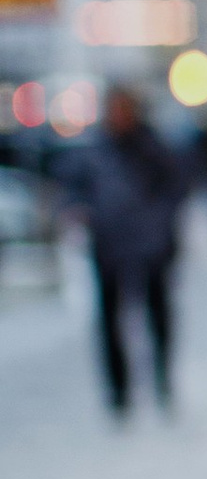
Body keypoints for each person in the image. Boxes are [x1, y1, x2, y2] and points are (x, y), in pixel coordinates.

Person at [61, 85, 186, 412]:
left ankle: (161, 379)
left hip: (150, 246)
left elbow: (176, 188)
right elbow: (73, 190)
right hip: (109, 246)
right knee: (110, 322)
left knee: (157, 316)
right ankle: (119, 392)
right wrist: (83, 213)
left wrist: (159, 225)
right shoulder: (94, 150)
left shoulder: (152, 147)